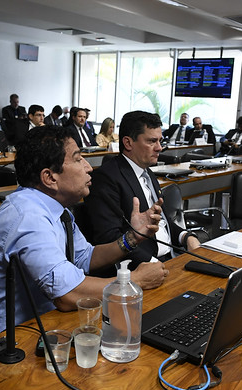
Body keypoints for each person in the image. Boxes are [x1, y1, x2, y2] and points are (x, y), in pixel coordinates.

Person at [0, 125, 168, 340]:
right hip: (2, 341)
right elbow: (67, 294)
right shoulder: (28, 216)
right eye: (78, 159)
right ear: (50, 177)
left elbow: (85, 258)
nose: (89, 168)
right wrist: (135, 281)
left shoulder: (55, 207)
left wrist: (132, 238)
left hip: (42, 325)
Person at [85, 110, 201, 271]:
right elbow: (109, 239)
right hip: (140, 268)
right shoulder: (106, 178)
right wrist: (155, 264)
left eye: (160, 141)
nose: (159, 148)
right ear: (128, 143)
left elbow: (163, 223)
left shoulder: (148, 173)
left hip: (171, 258)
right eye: (152, 141)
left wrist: (186, 236)